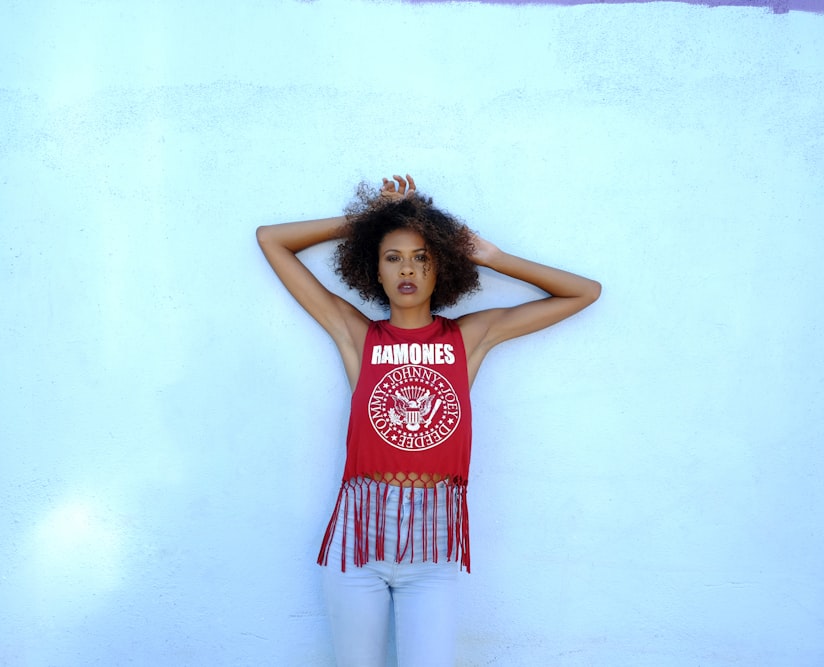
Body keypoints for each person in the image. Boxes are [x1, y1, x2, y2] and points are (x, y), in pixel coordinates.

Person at [256, 174, 600, 666]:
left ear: (443, 268)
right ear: (374, 271)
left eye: (422, 256)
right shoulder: (359, 335)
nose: (407, 269)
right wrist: (372, 219)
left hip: (432, 551)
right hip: (358, 546)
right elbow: (271, 240)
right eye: (392, 257)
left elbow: (584, 292)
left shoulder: (469, 337)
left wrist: (494, 257)